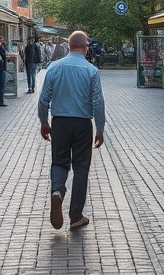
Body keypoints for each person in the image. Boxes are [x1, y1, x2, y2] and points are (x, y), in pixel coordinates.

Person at [38, 30, 105, 231]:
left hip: (60, 123)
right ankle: (76, 215)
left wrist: (44, 122)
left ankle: (57, 191)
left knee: (59, 162)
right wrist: (100, 129)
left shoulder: (55, 67)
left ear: (68, 46)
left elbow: (43, 99)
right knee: (81, 167)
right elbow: (98, 103)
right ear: (85, 48)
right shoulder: (92, 71)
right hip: (83, 124)